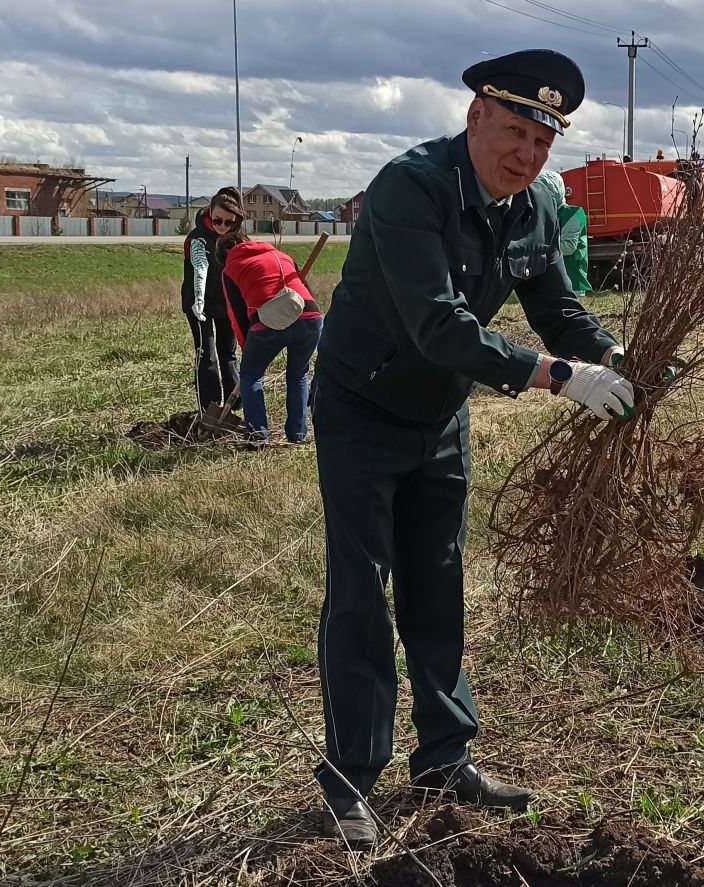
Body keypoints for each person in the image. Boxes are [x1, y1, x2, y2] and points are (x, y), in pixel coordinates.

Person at [309, 48, 637, 850]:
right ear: (477, 116)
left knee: (439, 583)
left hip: (440, 418)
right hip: (362, 407)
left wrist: (621, 358)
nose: (526, 153)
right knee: (361, 589)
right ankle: (352, 776)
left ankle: (445, 760)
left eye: (543, 142)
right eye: (516, 131)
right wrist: (559, 377)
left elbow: (559, 307)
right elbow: (439, 325)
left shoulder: (531, 211)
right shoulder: (410, 187)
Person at [218, 231, 324, 443]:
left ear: (224, 256)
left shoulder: (230, 269)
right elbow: (305, 289)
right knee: (299, 374)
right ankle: (298, 435)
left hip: (267, 323)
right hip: (310, 317)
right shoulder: (281, 255)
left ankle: (257, 435)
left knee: (251, 375)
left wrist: (247, 347)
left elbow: (236, 315)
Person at [182, 187, 244, 410]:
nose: (222, 227)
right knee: (206, 354)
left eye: (229, 223)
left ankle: (234, 404)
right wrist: (198, 297)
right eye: (218, 221)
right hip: (199, 304)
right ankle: (210, 406)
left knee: (228, 352)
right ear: (209, 212)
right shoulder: (197, 238)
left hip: (227, 303)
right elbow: (201, 267)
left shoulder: (238, 240)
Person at [533, 169, 591, 294]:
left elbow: (569, 247)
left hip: (570, 276)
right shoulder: (542, 213)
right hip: (548, 277)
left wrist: (537, 249)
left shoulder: (573, 213)